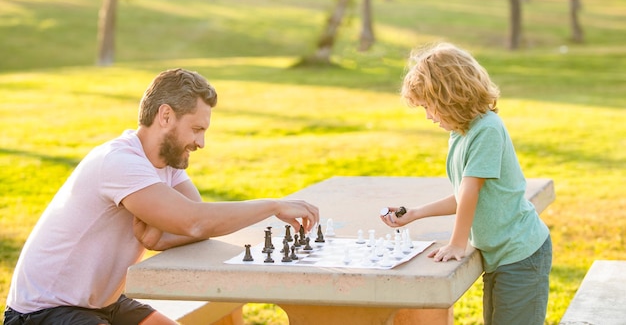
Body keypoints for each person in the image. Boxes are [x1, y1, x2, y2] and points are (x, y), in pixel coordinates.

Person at [4, 68, 319, 325]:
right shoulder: (120, 161)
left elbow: (198, 222)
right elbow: (196, 222)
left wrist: (162, 240)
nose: (201, 142)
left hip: (103, 303)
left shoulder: (167, 166)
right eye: (196, 129)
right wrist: (273, 206)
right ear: (165, 116)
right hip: (42, 311)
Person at [380, 43, 551, 325]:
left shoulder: (487, 130)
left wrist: (457, 244)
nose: (427, 116)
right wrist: (415, 213)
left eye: (427, 106)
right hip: (501, 255)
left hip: (521, 254)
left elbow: (471, 192)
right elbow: (464, 194)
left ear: (449, 97)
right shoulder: (462, 133)